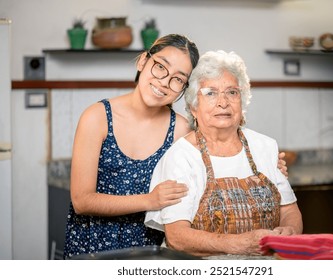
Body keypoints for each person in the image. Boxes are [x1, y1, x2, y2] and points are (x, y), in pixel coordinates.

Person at [63, 34, 288, 259]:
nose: (164, 82)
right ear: (143, 61)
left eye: (178, 79)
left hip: (150, 251)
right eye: (160, 67)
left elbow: (213, 165)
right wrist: (149, 200)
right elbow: (82, 200)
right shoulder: (97, 117)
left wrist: (268, 166)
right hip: (93, 247)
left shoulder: (180, 129)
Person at [145, 50, 303, 257]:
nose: (223, 102)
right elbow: (177, 237)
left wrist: (290, 231)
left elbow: (289, 211)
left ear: (242, 100)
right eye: (210, 93)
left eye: (232, 92)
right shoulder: (181, 157)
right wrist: (239, 244)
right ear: (193, 107)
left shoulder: (265, 146)